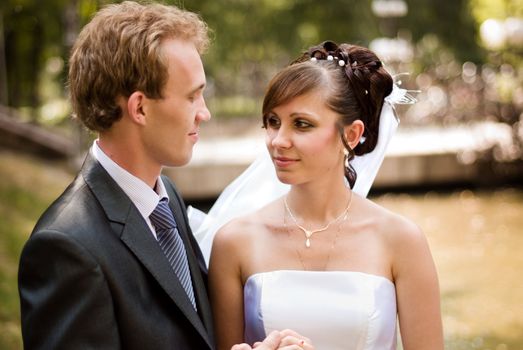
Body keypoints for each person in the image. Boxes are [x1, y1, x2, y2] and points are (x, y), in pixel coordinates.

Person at [17, 2, 311, 349]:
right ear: (139, 107)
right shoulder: (66, 248)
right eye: (193, 96)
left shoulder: (165, 196)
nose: (205, 113)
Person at [208, 41, 444, 350]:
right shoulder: (234, 242)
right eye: (272, 122)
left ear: (351, 134)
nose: (278, 140)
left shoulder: (401, 240)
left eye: (301, 124)